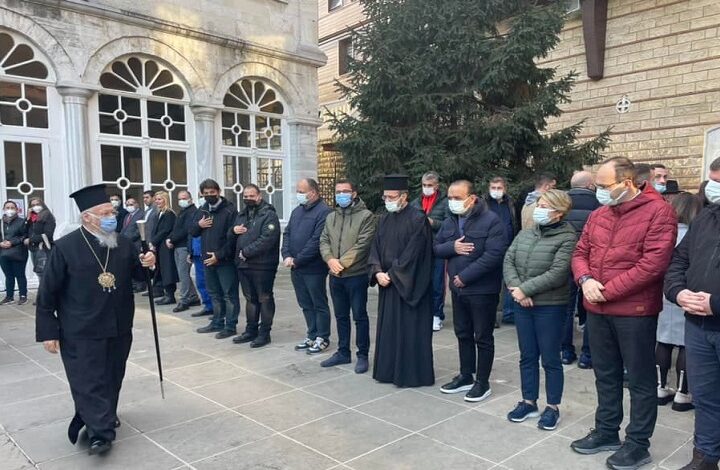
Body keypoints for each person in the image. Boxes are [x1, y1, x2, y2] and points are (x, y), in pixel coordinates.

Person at [570, 157, 678, 470]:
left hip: (634, 312)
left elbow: (652, 265)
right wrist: (585, 280)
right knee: (605, 374)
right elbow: (580, 252)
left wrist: (605, 290)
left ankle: (637, 444)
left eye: (604, 186)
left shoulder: (659, 212)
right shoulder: (600, 213)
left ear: (626, 183)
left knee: (640, 380)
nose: (599, 192)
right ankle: (606, 431)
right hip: (597, 307)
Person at [35, 183, 155, 455]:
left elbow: (141, 277)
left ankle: (104, 414)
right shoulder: (65, 247)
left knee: (113, 375)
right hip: (80, 327)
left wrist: (149, 263)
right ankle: (100, 433)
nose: (112, 216)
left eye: (112, 212)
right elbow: (48, 292)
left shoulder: (123, 243)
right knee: (88, 380)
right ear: (87, 217)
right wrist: (48, 331)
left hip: (118, 324)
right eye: (105, 213)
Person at [503, 189, 577, 430]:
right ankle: (528, 401)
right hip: (522, 303)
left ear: (558, 212)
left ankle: (552, 406)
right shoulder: (527, 232)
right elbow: (509, 260)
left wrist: (525, 290)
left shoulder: (567, 237)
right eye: (539, 205)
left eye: (544, 206)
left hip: (550, 306)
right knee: (527, 355)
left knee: (550, 358)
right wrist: (518, 290)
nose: (539, 209)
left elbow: (558, 272)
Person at [664, 156, 720, 470]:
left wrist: (716, 303)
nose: (712, 188)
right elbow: (678, 261)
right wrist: (678, 291)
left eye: (719, 182)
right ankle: (705, 457)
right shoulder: (705, 218)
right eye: (711, 180)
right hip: (698, 327)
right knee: (705, 396)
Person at [434, 180, 508, 401]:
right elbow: (436, 248)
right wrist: (452, 247)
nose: (452, 202)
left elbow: (494, 255)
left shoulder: (491, 221)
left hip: (482, 290)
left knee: (482, 337)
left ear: (472, 198)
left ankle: (482, 383)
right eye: (450, 198)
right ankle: (466, 375)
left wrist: (465, 277)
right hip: (458, 291)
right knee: (463, 333)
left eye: (457, 198)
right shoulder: (450, 221)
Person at [369, 174, 434, 387]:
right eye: (385, 197)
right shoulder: (384, 219)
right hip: (387, 284)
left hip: (409, 286)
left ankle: (409, 375)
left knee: (409, 331)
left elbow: (414, 254)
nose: (387, 200)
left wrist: (393, 274)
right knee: (389, 330)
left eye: (391, 196)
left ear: (404, 196)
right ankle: (387, 371)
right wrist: (377, 271)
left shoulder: (418, 219)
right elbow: (375, 248)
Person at [319, 179, 376, 373]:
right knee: (341, 315)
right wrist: (329, 259)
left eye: (345, 191)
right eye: (338, 192)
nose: (341, 195)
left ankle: (362, 355)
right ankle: (343, 352)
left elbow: (363, 244)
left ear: (354, 193)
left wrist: (341, 263)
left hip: (356, 274)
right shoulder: (331, 217)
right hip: (335, 275)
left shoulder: (366, 216)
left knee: (359, 316)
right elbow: (324, 240)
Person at [656, 192, 702, 412]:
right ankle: (683, 393)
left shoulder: (664, 233)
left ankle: (660, 387)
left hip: (665, 291)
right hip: (688, 292)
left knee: (663, 340)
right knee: (684, 344)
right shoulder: (697, 235)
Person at [282, 178, 332, 354]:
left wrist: (298, 259)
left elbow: (317, 241)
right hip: (296, 267)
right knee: (305, 303)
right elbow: (287, 234)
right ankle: (312, 334)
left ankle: (322, 337)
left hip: (314, 268)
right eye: (298, 191)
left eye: (301, 191)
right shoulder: (297, 211)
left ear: (313, 192)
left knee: (318, 303)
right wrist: (286, 255)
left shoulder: (324, 212)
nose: (298, 194)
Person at [229, 184, 281, 348]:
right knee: (250, 299)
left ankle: (264, 333)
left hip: (263, 265)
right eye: (245, 196)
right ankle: (250, 330)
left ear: (259, 196)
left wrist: (247, 252)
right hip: (243, 264)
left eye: (251, 196)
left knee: (264, 298)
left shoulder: (269, 214)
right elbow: (231, 235)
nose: (248, 199)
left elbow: (267, 239)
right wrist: (233, 231)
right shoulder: (242, 214)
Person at [189, 179, 240, 339]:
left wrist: (218, 255)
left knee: (229, 295)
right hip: (207, 259)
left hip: (225, 261)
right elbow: (192, 231)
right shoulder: (203, 209)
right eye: (206, 193)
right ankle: (217, 322)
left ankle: (230, 326)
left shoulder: (230, 210)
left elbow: (233, 238)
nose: (209, 195)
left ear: (218, 192)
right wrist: (199, 225)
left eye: (212, 192)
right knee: (214, 293)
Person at [562, 171, 600, 367]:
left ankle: (565, 351)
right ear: (590, 185)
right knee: (590, 307)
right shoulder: (600, 204)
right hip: (590, 264)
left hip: (564, 262)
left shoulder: (561, 202)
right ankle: (587, 355)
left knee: (566, 309)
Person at [410, 171, 449, 331]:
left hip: (437, 247)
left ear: (436, 186)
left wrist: (433, 223)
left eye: (430, 185)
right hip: (419, 247)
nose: (426, 188)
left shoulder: (445, 202)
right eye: (424, 185)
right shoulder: (416, 202)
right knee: (420, 281)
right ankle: (422, 313)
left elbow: (449, 225)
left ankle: (436, 315)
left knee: (437, 282)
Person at [483, 176, 519, 325]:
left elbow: (514, 222)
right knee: (490, 283)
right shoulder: (483, 203)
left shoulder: (510, 203)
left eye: (499, 188)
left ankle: (509, 314)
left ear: (505, 189)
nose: (496, 191)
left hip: (509, 247)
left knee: (510, 280)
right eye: (493, 188)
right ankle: (490, 317)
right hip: (489, 248)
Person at [167, 191, 200, 313]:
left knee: (183, 274)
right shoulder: (183, 211)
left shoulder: (192, 212)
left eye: (184, 198)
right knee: (183, 273)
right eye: (180, 198)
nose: (182, 201)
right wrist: (170, 238)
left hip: (184, 246)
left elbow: (186, 230)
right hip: (178, 245)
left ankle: (184, 300)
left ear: (190, 199)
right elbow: (176, 228)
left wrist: (172, 239)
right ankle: (193, 296)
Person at [150, 191, 178, 305]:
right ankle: (166, 293)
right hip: (159, 246)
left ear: (165, 200)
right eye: (156, 199)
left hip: (165, 246)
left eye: (160, 199)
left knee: (168, 270)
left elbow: (165, 230)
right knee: (161, 269)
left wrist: (153, 242)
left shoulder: (169, 214)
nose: (157, 201)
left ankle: (170, 295)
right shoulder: (159, 213)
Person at [189, 193, 213, 318]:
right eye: (201, 195)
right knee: (200, 281)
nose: (203, 197)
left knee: (210, 282)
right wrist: (190, 251)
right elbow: (191, 231)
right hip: (196, 251)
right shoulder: (198, 211)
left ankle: (215, 307)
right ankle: (208, 305)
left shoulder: (210, 211)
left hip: (206, 251)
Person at [0, 201, 28, 305]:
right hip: (3, 253)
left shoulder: (22, 222)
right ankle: (9, 296)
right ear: (3, 209)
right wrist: (0, 243)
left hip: (18, 252)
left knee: (20, 275)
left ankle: (23, 295)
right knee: (8, 275)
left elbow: (25, 236)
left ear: (17, 210)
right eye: (7, 207)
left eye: (12, 207)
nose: (10, 210)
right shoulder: (1, 222)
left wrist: (12, 242)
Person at [24, 197, 56, 281]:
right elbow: (25, 230)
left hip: (43, 248)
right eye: (33, 205)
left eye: (37, 204)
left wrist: (30, 240)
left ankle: (45, 289)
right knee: (39, 272)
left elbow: (48, 234)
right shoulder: (32, 217)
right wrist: (27, 219)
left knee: (44, 273)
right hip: (33, 249)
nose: (35, 206)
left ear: (42, 204)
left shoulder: (47, 215)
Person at [119, 198, 146, 293]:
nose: (129, 206)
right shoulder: (127, 216)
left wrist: (129, 239)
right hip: (128, 244)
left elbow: (140, 230)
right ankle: (134, 284)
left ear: (137, 204)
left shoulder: (141, 214)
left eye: (131, 204)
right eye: (127, 205)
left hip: (136, 243)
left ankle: (141, 284)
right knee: (131, 264)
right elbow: (124, 229)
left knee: (139, 265)